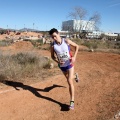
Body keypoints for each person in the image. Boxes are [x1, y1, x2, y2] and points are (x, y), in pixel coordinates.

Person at [49, 28, 79, 110]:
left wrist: (74, 57)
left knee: (69, 81)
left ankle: (72, 102)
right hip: (62, 66)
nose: (54, 38)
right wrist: (58, 62)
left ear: (58, 33)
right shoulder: (53, 45)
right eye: (52, 37)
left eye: (55, 36)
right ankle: (75, 76)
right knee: (70, 79)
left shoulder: (66, 41)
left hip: (70, 64)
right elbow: (52, 56)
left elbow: (77, 46)